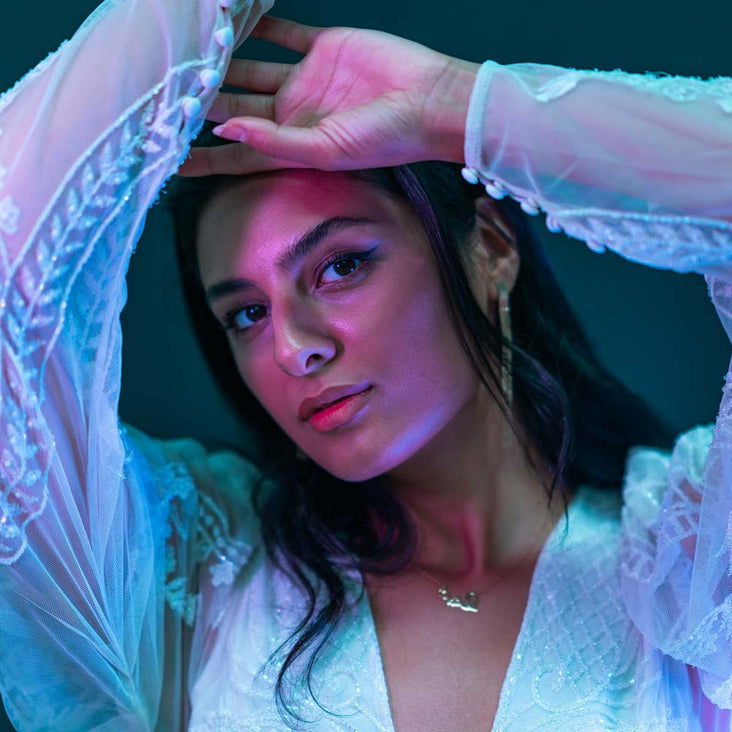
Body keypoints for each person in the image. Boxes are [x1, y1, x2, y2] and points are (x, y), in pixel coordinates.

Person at [0, 0, 730, 730]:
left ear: (491, 249)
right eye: (247, 314)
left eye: (341, 266)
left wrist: (460, 106)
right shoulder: (188, 579)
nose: (293, 348)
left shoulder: (693, 559)